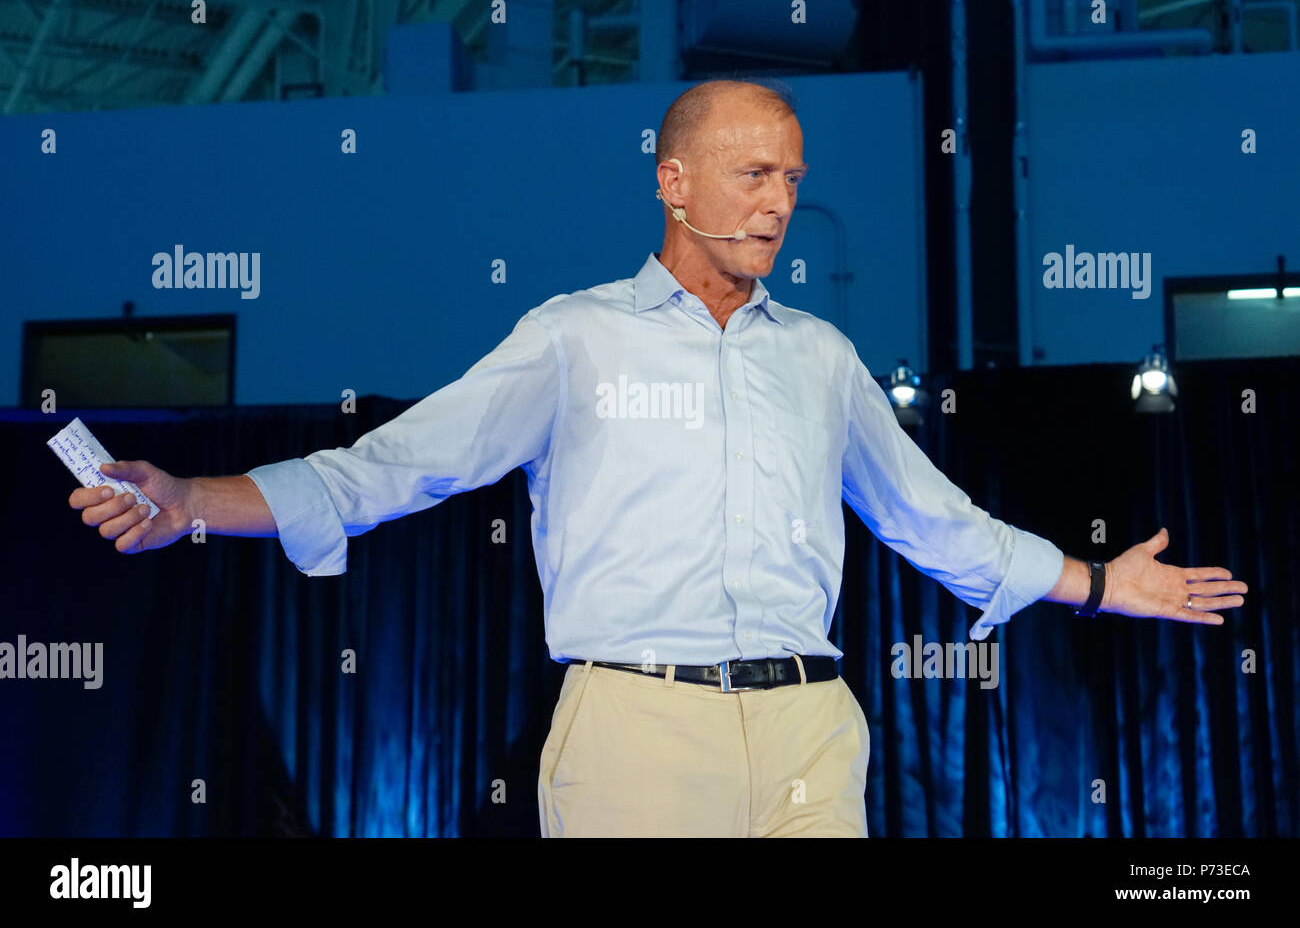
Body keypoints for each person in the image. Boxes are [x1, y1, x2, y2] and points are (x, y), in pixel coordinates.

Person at [68, 79, 1247, 837]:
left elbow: (934, 524)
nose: (780, 201)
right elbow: (388, 469)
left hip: (809, 736)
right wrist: (193, 503)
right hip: (638, 733)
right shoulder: (573, 340)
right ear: (672, 183)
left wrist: (1099, 585)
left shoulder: (822, 358)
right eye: (753, 174)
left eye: (792, 178)